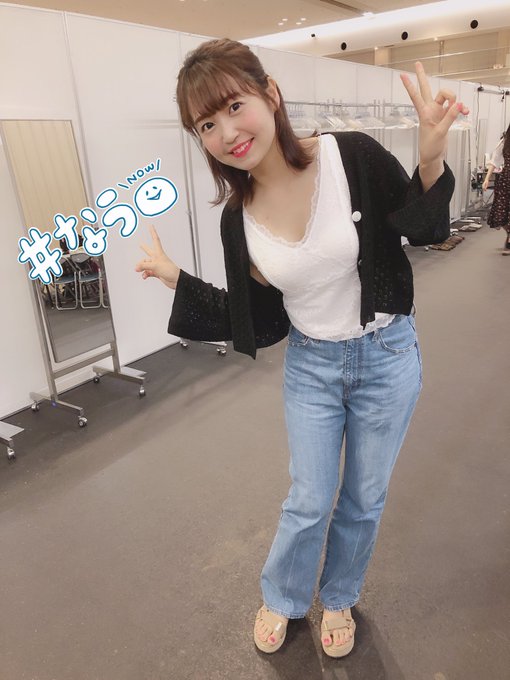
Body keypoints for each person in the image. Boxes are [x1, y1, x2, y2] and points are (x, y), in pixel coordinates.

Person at [135, 39, 466, 658]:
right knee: (309, 498)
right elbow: (259, 320)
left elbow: (424, 230)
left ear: (271, 94)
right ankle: (285, 596)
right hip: (312, 366)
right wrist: (179, 280)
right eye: (206, 124)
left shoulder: (352, 156)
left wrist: (429, 160)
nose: (227, 133)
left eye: (235, 106)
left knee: (364, 496)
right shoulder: (237, 219)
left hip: (388, 355)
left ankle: (339, 595)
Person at [482, 124, 510, 254]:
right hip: (506, 180)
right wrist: (487, 178)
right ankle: (509, 233)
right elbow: (495, 160)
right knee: (500, 211)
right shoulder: (505, 141)